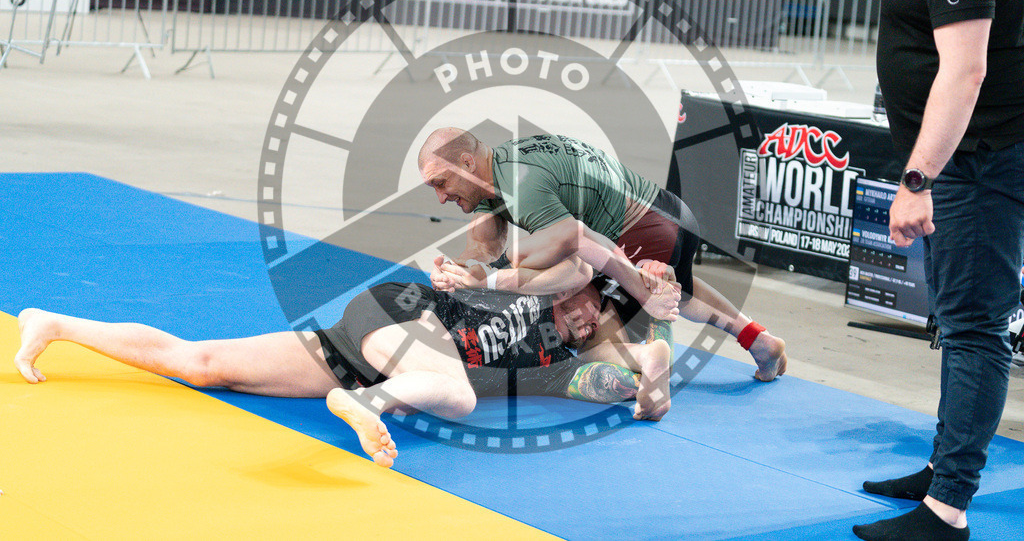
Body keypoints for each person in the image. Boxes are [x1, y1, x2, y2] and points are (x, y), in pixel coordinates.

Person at [13, 256, 671, 469]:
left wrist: (647, 374)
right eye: (587, 306)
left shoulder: (561, 360)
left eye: (597, 320)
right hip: (400, 315)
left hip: (355, 350)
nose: (587, 319)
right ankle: (368, 405)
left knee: (204, 361)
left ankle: (57, 322)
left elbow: (618, 375)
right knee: (458, 395)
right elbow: (568, 261)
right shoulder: (538, 286)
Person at [855, 0, 1024, 540]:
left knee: (977, 326)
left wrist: (918, 176)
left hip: (979, 158)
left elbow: (966, 67)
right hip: (979, 153)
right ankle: (943, 466)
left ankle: (948, 508)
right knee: (959, 321)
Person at [418, 128, 787, 382]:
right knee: (682, 290)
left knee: (593, 344)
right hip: (668, 215)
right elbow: (482, 247)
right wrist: (458, 270)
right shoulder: (500, 168)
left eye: (441, 183)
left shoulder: (522, 187)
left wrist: (645, 294)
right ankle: (759, 340)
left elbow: (580, 243)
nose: (440, 197)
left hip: (645, 231)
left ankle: (648, 361)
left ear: (467, 163)